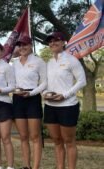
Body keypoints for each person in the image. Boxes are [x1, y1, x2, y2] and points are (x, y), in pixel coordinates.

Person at [43, 32, 86, 169]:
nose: (53, 43)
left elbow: (82, 81)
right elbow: (46, 83)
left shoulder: (71, 60)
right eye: (50, 41)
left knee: (69, 141)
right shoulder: (49, 62)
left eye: (56, 40)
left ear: (63, 43)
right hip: (50, 105)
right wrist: (44, 93)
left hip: (67, 105)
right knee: (56, 140)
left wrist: (65, 95)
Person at [12, 36, 47, 169]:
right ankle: (26, 166)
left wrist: (31, 93)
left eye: (25, 45)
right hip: (18, 99)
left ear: (30, 45)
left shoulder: (39, 61)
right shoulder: (14, 62)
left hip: (32, 98)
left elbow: (44, 82)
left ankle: (36, 166)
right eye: (20, 45)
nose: (22, 48)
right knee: (23, 136)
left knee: (35, 136)